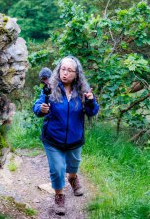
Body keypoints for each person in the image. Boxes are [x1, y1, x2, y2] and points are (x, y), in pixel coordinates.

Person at [32, 56, 99, 215]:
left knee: (73, 165)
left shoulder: (82, 91)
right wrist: (40, 109)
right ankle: (59, 195)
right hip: (53, 139)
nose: (65, 73)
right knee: (57, 169)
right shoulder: (51, 88)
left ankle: (73, 177)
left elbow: (92, 112)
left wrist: (90, 101)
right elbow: (38, 106)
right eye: (63, 69)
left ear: (76, 74)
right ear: (58, 70)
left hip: (75, 139)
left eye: (70, 70)